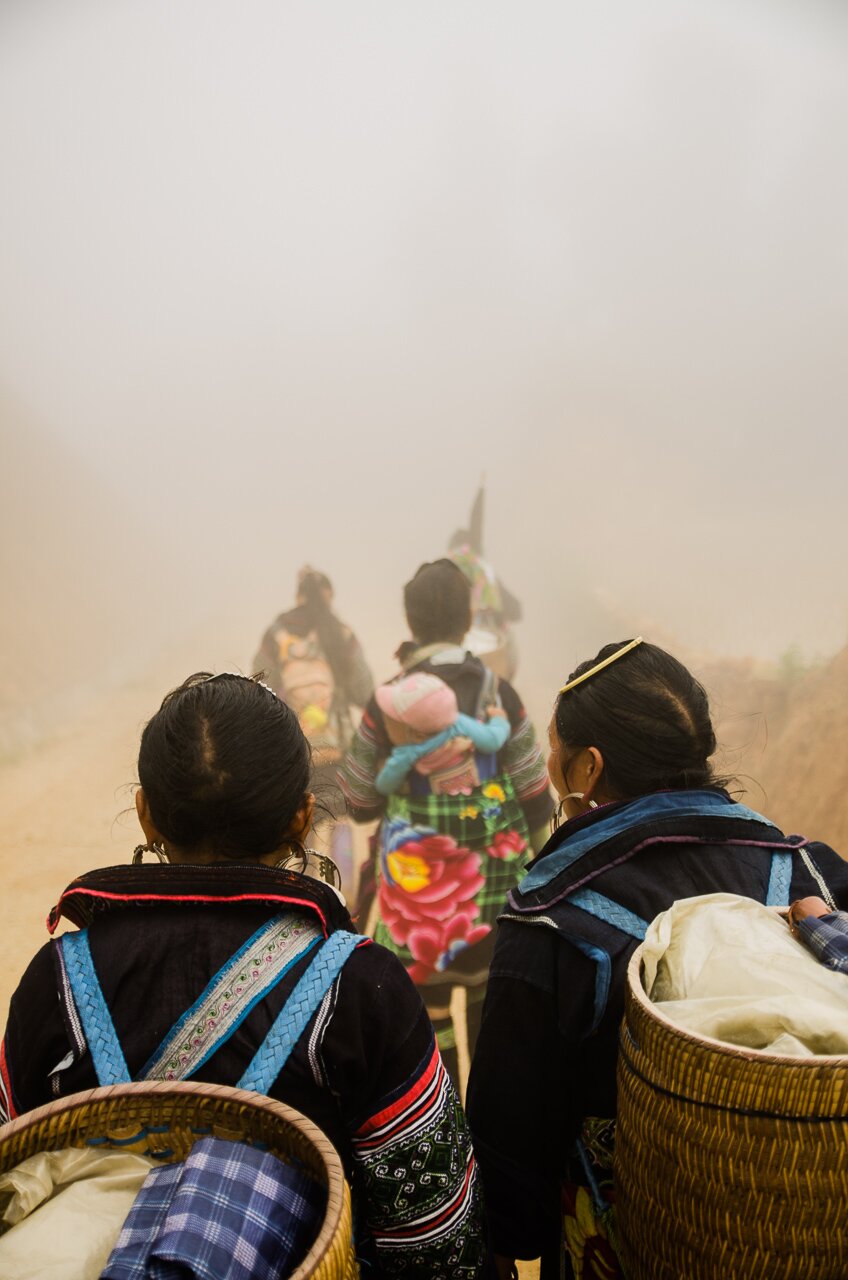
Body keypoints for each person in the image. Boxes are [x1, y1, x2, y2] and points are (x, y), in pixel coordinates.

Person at [0, 672, 485, 1278]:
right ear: (301, 818)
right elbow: (433, 1234)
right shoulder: (360, 987)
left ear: (146, 814)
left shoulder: (60, 981)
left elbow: (11, 1176)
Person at [466, 638, 848, 1280]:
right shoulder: (815, 876)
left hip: (633, 1248)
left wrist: (506, 1251)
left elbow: (511, 1137)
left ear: (589, 768)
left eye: (556, 746)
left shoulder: (552, 919)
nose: (551, 760)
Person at [338, 559, 553, 1084]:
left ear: (411, 623)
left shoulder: (386, 702)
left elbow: (359, 802)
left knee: (430, 1022)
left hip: (418, 911)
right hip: (498, 906)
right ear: (467, 621)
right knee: (490, 1009)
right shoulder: (500, 694)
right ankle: (491, 1114)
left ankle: (448, 1116)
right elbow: (536, 798)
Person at [253, 566, 374, 892]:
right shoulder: (340, 634)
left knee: (299, 828)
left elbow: (259, 688)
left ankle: (301, 901)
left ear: (298, 596)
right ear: (329, 596)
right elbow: (364, 690)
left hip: (292, 748)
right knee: (338, 822)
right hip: (336, 747)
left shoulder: (275, 636)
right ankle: (344, 902)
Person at [374, 670, 511, 796]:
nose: (385, 726)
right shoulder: (459, 723)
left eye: (389, 722)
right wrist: (499, 720)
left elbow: (384, 787)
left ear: (417, 735)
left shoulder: (407, 753)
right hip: (477, 802)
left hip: (435, 814)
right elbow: (493, 741)